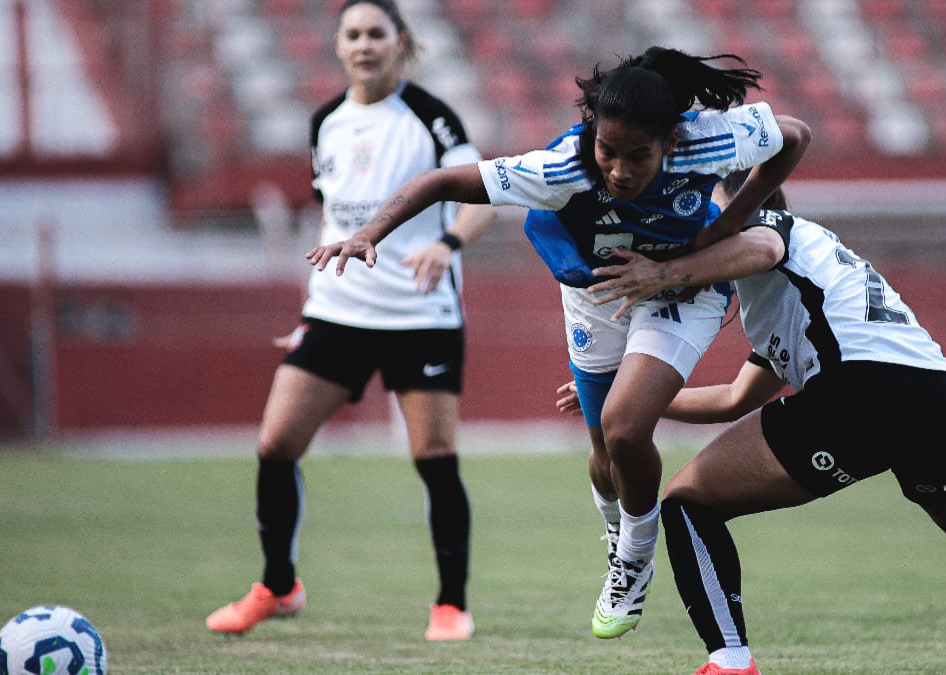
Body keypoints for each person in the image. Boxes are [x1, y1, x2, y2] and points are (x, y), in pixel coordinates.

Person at [306, 46, 811, 639]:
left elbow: (795, 136)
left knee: (626, 427)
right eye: (607, 151)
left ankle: (634, 558)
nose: (618, 170)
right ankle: (618, 531)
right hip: (596, 293)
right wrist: (367, 233)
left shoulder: (709, 141)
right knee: (604, 459)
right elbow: (440, 181)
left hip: (682, 287)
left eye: (638, 156)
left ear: (671, 142)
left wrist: (729, 224)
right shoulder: (560, 168)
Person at [567, 170, 946, 674]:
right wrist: (633, 395)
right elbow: (733, 398)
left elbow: (764, 246)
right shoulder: (806, 275)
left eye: (711, 203)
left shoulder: (774, 234)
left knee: (687, 503)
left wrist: (666, 274)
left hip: (860, 388)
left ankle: (730, 660)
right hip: (935, 393)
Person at [205, 0, 496, 641]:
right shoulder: (326, 122)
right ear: (338, 46)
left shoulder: (431, 117)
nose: (364, 45)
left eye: (376, 33)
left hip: (420, 314)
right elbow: (332, 219)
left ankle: (451, 605)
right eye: (353, 35)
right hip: (336, 313)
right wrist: (310, 306)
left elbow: (482, 199)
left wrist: (447, 244)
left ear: (400, 41)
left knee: (435, 456)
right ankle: (278, 587)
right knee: (275, 445)